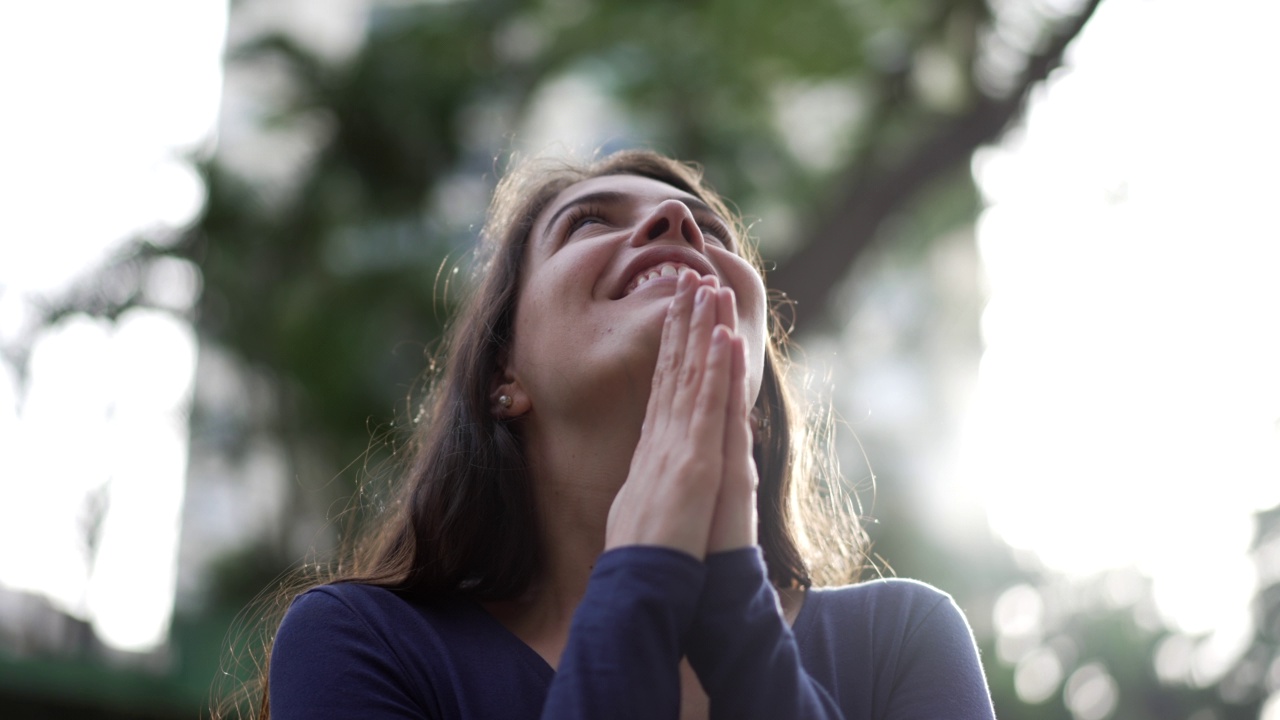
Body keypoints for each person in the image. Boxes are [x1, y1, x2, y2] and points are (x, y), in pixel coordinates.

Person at [260, 150, 997, 719]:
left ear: (759, 408)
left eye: (710, 231)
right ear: (500, 378)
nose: (676, 226)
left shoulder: (902, 640)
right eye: (588, 222)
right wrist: (644, 572)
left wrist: (737, 618)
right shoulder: (363, 643)